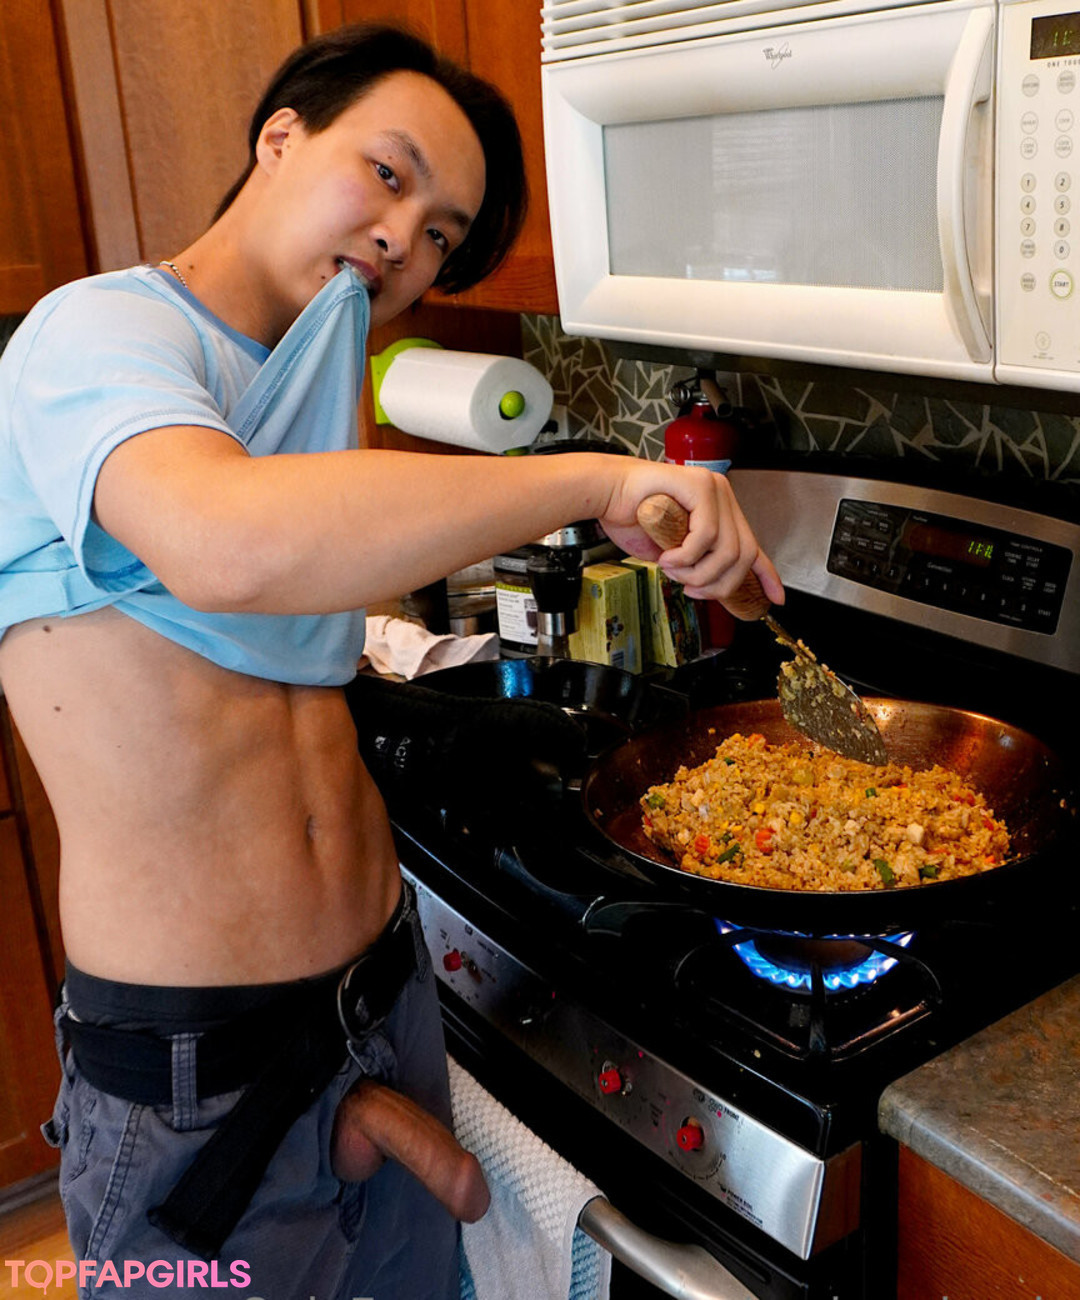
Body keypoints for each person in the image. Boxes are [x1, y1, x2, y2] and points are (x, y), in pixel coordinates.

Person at [0, 21, 783, 1300]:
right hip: (204, 1069)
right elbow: (225, 544)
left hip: (378, 997)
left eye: (439, 235)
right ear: (280, 135)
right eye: (387, 173)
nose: (403, 240)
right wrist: (589, 480)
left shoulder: (310, 379)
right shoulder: (96, 334)